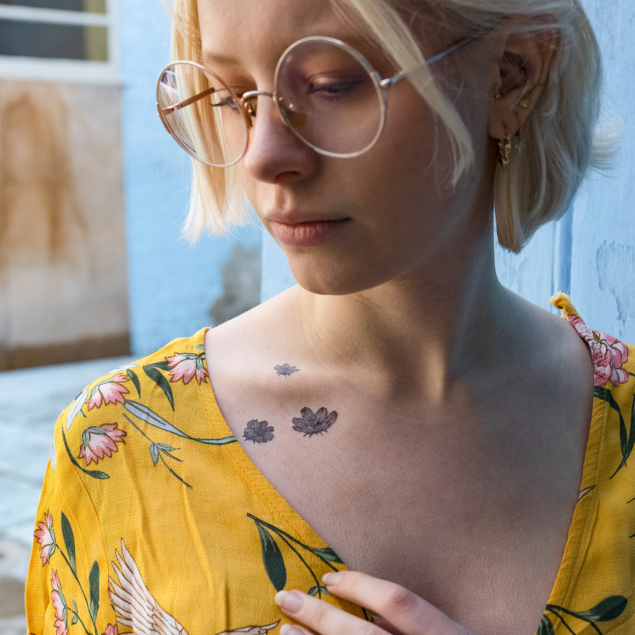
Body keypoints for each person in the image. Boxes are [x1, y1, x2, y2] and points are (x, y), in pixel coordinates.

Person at [25, 0, 635, 634]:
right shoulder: (119, 449)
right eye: (233, 98)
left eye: (332, 85)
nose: (262, 156)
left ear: (513, 76)